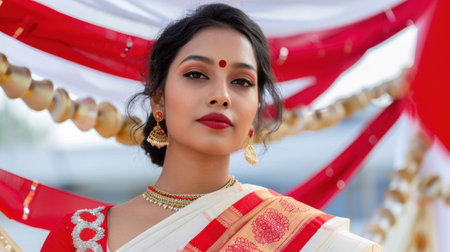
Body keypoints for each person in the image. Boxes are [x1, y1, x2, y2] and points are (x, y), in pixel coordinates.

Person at [41, 3, 381, 252]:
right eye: (196, 75)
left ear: (255, 112)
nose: (221, 96)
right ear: (158, 99)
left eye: (241, 82)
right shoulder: (81, 236)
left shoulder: (300, 236)